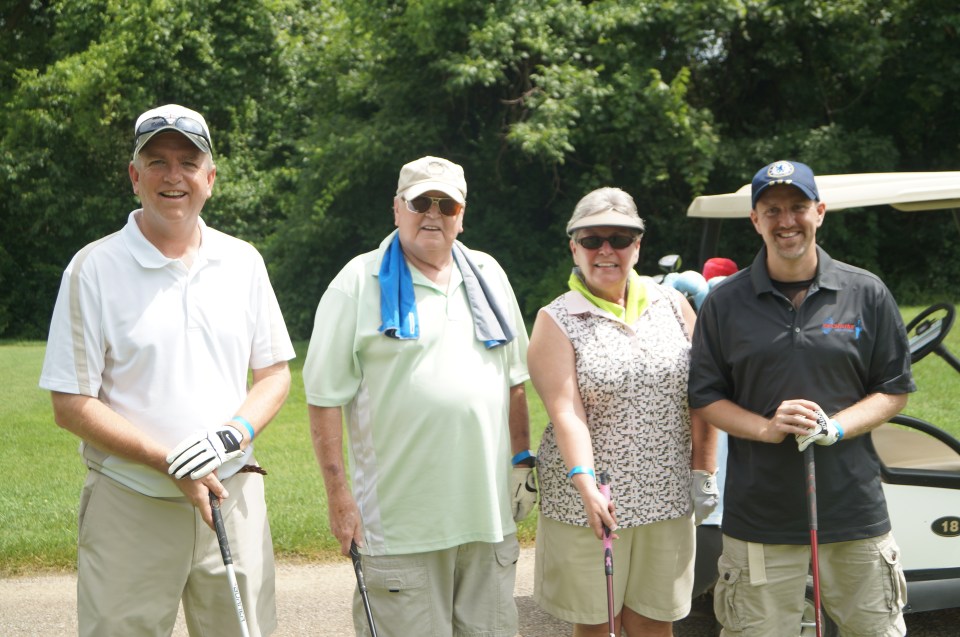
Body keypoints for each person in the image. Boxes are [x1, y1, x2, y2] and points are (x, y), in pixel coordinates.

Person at [39, 104, 295, 637]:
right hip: (131, 501)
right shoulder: (92, 268)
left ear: (210, 178)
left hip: (232, 498)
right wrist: (169, 460)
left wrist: (231, 435)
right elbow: (71, 404)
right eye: (156, 162)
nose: (173, 175)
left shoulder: (244, 261)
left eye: (188, 162)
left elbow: (274, 375)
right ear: (135, 177)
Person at [302, 155, 532, 637]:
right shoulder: (356, 282)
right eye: (420, 202)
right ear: (396, 209)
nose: (433, 213)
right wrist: (338, 496)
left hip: (488, 522)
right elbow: (323, 399)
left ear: (462, 215)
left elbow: (514, 381)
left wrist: (521, 465)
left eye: (446, 205)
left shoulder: (489, 274)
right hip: (400, 528)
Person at [689, 160, 915, 636]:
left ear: (820, 212)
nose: (786, 221)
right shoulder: (725, 302)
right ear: (755, 220)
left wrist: (837, 426)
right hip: (760, 516)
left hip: (853, 511)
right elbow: (705, 396)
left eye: (797, 207)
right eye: (772, 210)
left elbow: (893, 389)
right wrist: (767, 428)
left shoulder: (865, 292)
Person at [527, 187, 718, 637]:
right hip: (591, 501)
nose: (606, 250)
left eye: (620, 238)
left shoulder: (673, 305)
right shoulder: (556, 319)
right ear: (574, 247)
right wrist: (586, 485)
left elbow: (704, 393)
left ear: (638, 245)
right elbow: (567, 414)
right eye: (592, 240)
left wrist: (704, 471)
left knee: (653, 621)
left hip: (666, 495)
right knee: (599, 624)